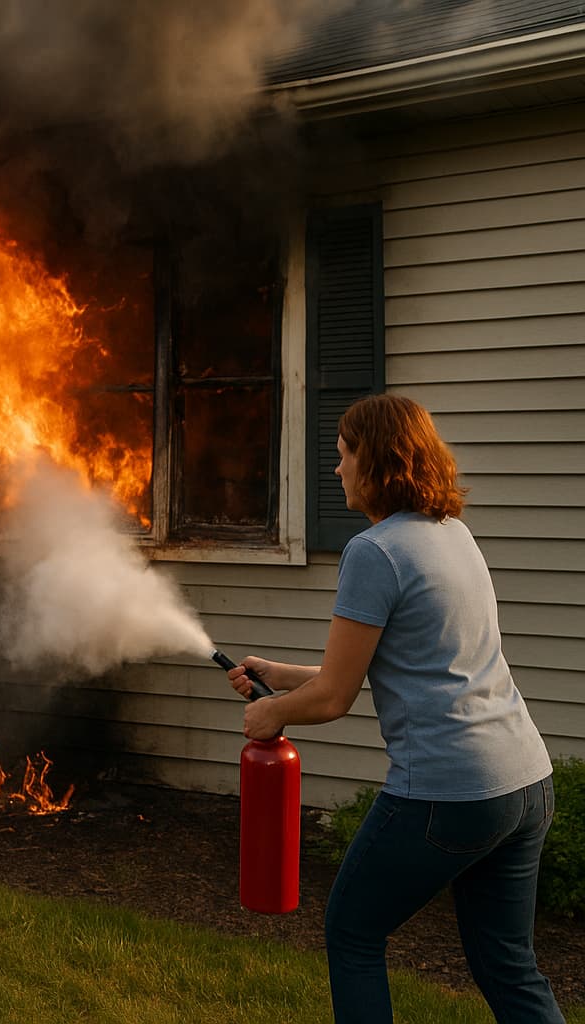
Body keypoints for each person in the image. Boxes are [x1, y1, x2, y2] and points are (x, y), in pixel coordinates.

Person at [226, 393, 561, 1023]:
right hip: (524, 784)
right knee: (510, 967)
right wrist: (277, 675)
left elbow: (331, 698)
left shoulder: (373, 552)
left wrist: (274, 714)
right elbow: (390, 667)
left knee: (353, 932)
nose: (337, 469)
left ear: (376, 461)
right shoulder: (451, 535)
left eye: (344, 454)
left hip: (448, 790)